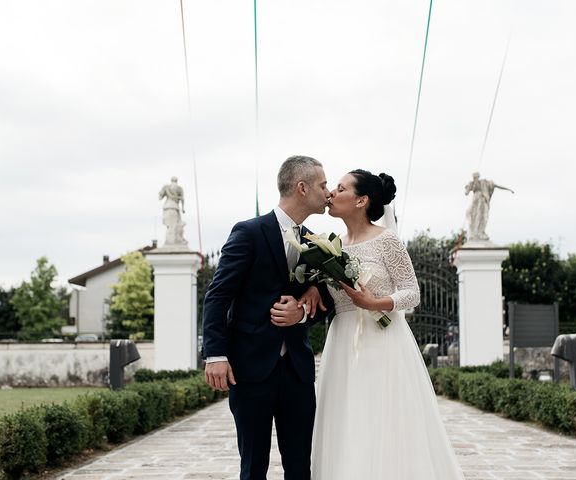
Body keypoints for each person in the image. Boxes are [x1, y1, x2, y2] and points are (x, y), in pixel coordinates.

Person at [312, 169, 465, 479]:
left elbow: (412, 292)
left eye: (340, 189)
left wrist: (375, 303)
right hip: (342, 341)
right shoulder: (332, 246)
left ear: (361, 200)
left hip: (382, 341)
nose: (331, 193)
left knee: (382, 417)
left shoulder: (386, 240)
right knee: (346, 418)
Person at [202, 155, 334, 480]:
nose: (328, 192)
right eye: (323, 184)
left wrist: (301, 312)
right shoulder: (249, 232)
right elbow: (218, 296)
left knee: (300, 467)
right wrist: (215, 355)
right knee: (253, 467)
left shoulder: (316, 243)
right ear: (302, 188)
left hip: (297, 373)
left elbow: (328, 302)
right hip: (249, 370)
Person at [464, 172, 514, 241]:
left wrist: (509, 189)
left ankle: (480, 232)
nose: (475, 178)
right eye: (474, 177)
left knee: (484, 217)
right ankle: (475, 233)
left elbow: (497, 186)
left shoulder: (485, 182)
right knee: (474, 217)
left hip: (483, 201)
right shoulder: (472, 183)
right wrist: (468, 187)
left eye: (476, 176)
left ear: (478, 176)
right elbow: (466, 193)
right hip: (475, 202)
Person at [158, 176, 187, 245]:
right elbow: (182, 199)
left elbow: (160, 197)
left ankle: (171, 241)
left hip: (167, 207)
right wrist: (183, 208)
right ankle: (172, 241)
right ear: (177, 181)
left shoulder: (166, 187)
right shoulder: (179, 188)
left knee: (170, 226)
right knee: (174, 226)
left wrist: (161, 193)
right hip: (175, 207)